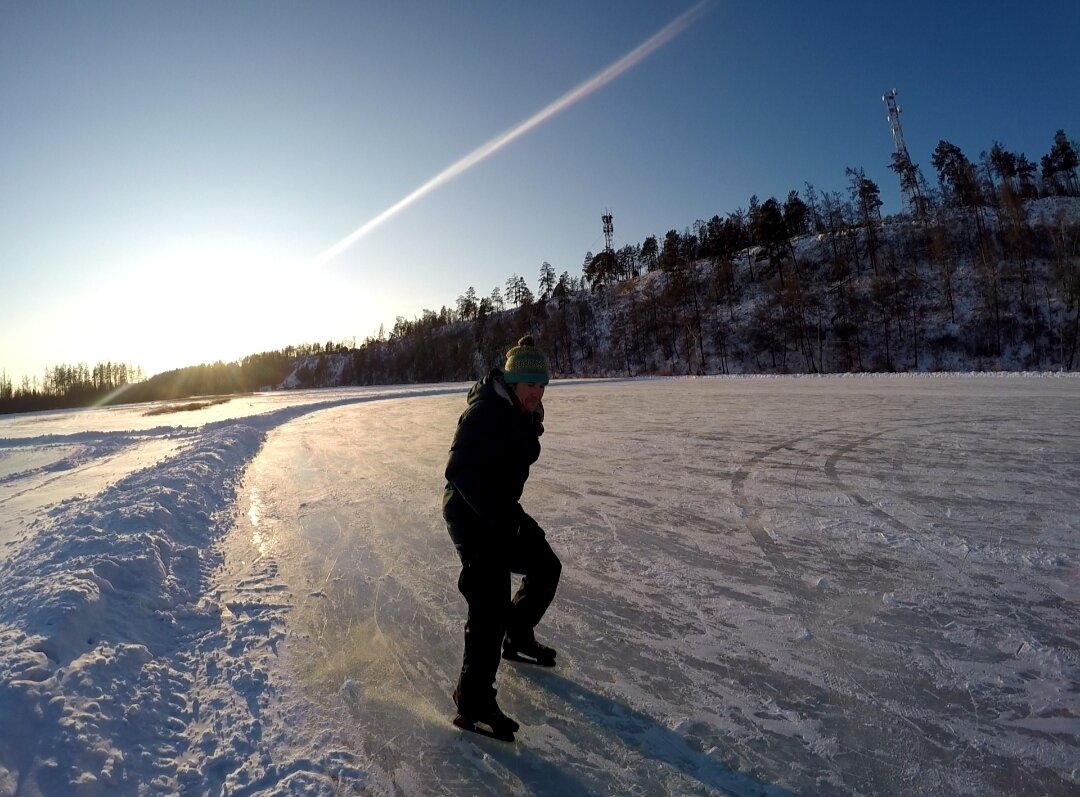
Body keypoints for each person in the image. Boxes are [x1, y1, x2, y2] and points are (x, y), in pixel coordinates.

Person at [442, 335, 562, 739]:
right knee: (489, 602)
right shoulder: (485, 413)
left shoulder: (521, 412)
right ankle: (472, 702)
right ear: (512, 383)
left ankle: (519, 635)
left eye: (542, 384)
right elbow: (459, 472)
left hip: (499, 509)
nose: (538, 391)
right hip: (471, 514)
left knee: (545, 566)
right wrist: (498, 519)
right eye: (531, 384)